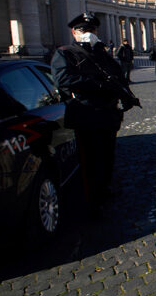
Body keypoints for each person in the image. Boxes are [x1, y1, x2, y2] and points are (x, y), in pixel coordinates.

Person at [50, 13, 140, 216]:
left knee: (107, 156)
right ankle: (91, 202)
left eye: (91, 30)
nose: (88, 34)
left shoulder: (103, 54)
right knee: (89, 161)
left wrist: (125, 95)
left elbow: (118, 77)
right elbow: (64, 79)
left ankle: (104, 189)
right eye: (83, 30)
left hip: (107, 114)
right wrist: (100, 85)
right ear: (74, 32)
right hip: (85, 114)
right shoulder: (65, 53)